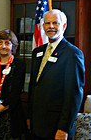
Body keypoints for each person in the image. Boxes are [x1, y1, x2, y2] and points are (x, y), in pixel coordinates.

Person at [28, 9, 85, 140]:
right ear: (43, 27)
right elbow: (34, 86)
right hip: (37, 123)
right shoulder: (37, 52)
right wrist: (29, 116)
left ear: (64, 26)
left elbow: (74, 94)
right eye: (47, 23)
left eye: (55, 23)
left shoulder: (72, 54)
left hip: (57, 127)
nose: (51, 26)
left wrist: (64, 128)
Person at [0, 29, 27, 139]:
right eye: (0, 42)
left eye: (7, 43)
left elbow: (14, 96)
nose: (3, 46)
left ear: (13, 45)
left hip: (12, 117)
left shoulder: (19, 65)